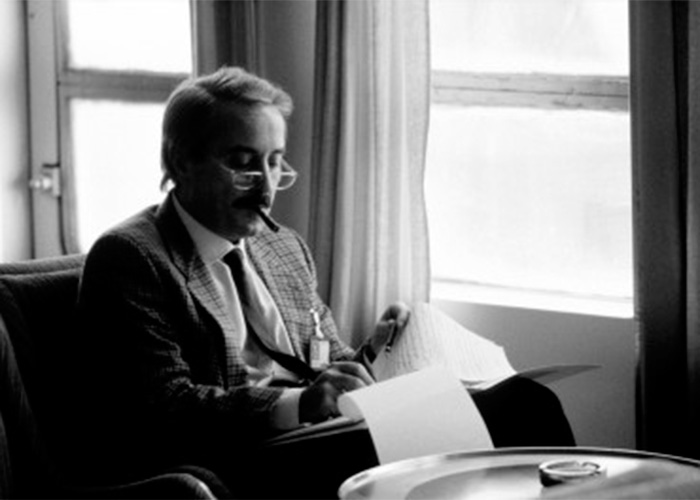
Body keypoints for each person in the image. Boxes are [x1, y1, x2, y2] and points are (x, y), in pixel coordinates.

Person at [76, 66, 574, 498]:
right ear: (183, 162)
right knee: (487, 427)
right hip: (238, 455)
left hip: (318, 433)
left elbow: (326, 364)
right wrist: (300, 404)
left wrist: (378, 351)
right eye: (244, 163)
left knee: (524, 403)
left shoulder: (282, 248)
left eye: (275, 161)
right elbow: (166, 407)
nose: (266, 186)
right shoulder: (132, 257)